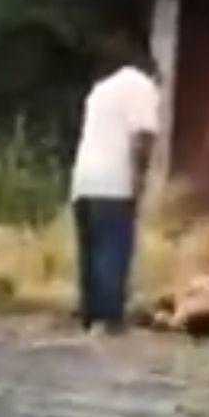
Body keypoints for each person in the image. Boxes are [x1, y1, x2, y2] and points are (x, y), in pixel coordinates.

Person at [70, 44, 160, 333]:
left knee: (90, 250)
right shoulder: (142, 85)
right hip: (114, 181)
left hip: (83, 181)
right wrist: (139, 181)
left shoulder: (100, 90)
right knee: (113, 248)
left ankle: (90, 314)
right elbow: (143, 137)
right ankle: (109, 320)